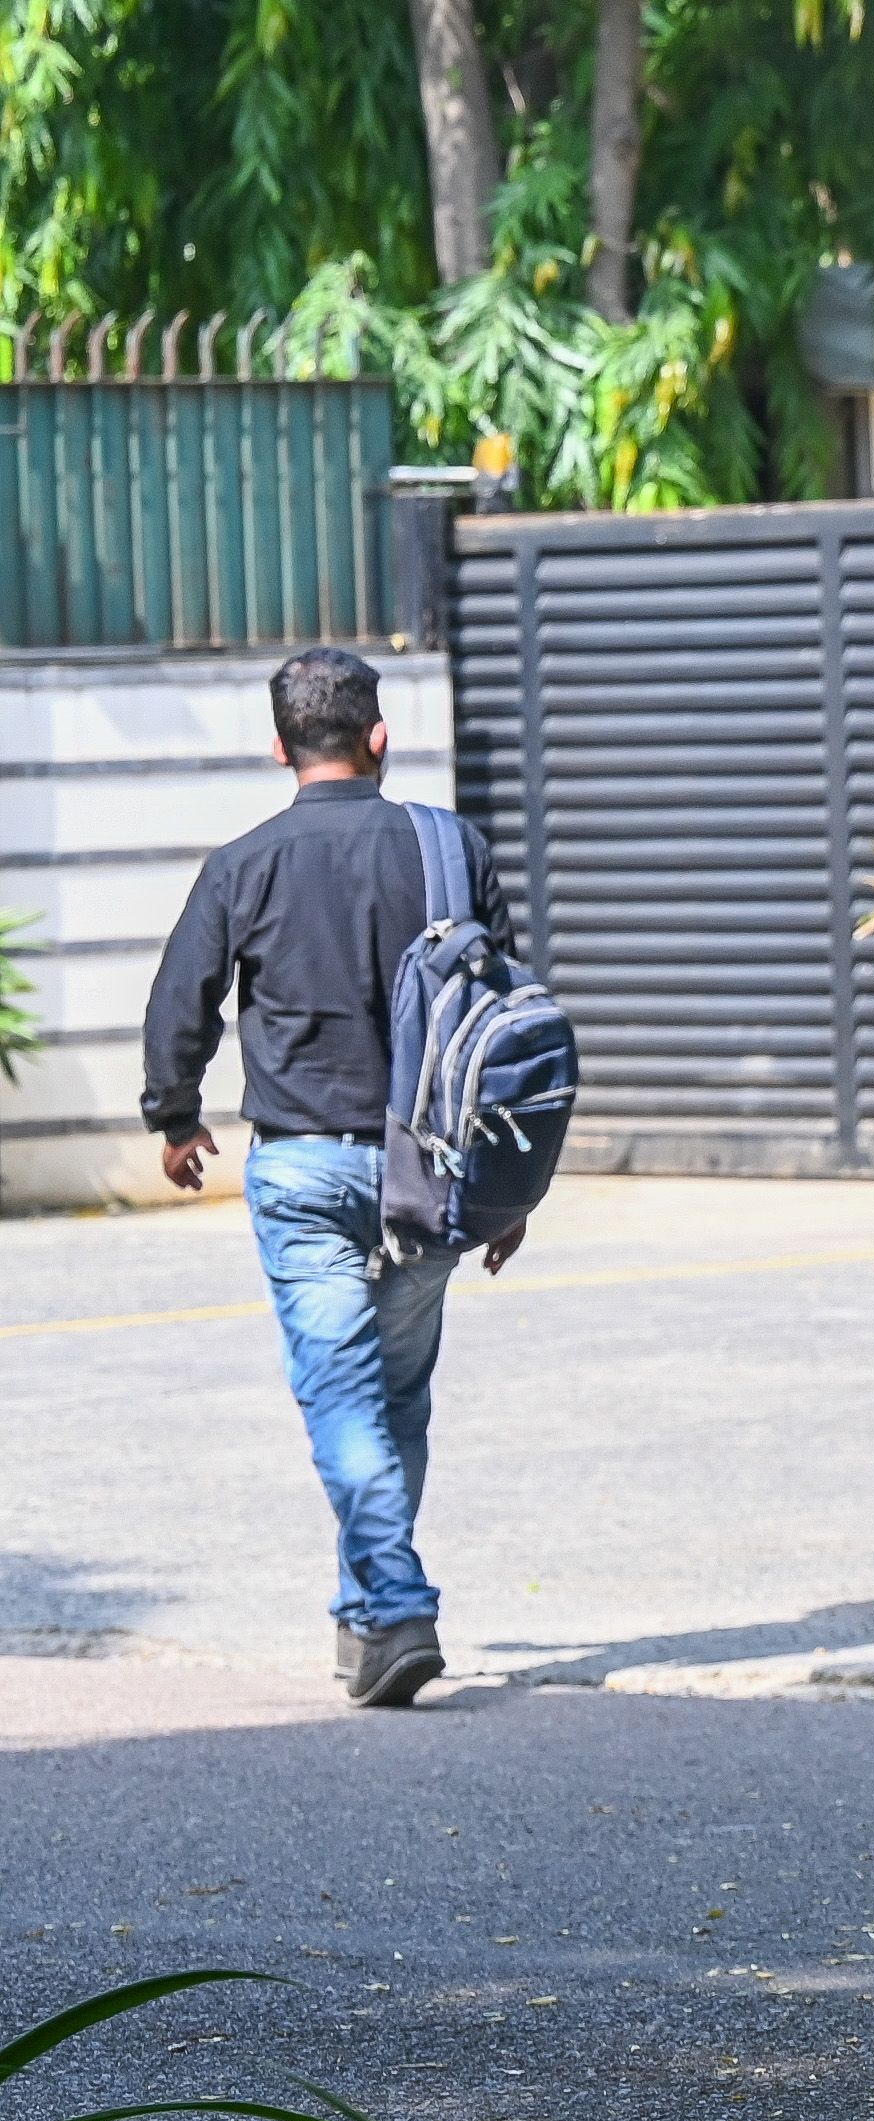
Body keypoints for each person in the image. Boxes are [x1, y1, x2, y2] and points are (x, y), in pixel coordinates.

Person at [142, 647, 528, 1708]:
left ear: (278, 747)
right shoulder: (451, 850)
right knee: (395, 1396)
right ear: (380, 735)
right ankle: (368, 1634)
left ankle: (397, 1602)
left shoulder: (242, 865)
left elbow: (182, 1002)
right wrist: (514, 1183)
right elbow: (511, 1027)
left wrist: (175, 1118)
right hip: (430, 1169)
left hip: (304, 1171)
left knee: (343, 1397)